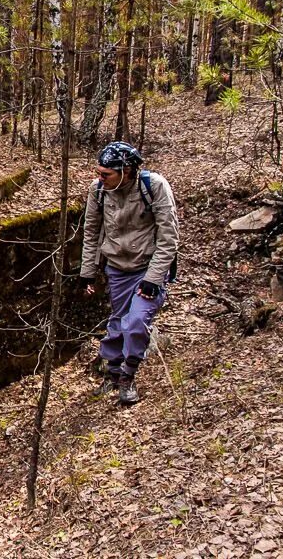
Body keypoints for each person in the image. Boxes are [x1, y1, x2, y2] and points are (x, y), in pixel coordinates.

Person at [78, 142, 179, 405]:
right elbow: (91, 232)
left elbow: (169, 237)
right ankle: (112, 374)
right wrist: (88, 272)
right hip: (116, 268)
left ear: (127, 170)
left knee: (136, 322)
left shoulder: (154, 186)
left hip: (147, 267)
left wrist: (154, 278)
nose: (100, 178)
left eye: (106, 174)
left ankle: (128, 375)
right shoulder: (97, 190)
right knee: (117, 323)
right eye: (99, 173)